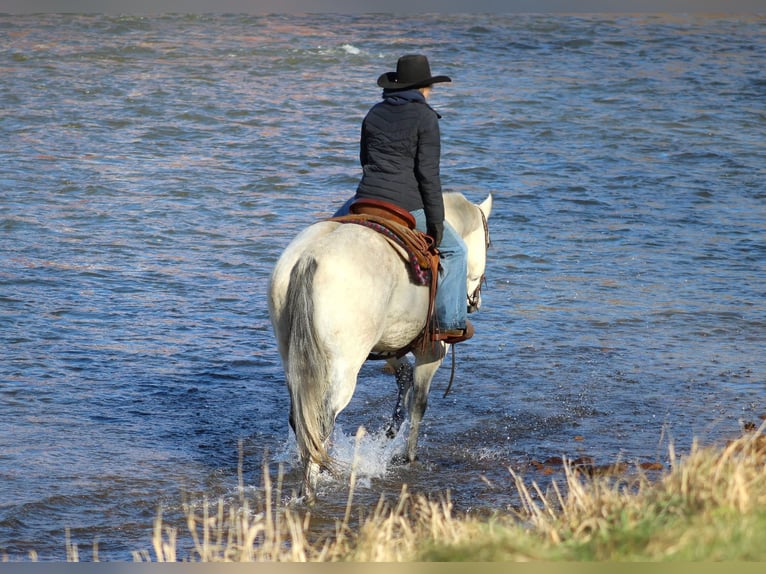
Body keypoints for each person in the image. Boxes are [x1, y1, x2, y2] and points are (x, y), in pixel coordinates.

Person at [335, 54, 473, 343]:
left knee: (333, 230)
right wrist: (435, 224)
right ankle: (449, 322)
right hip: (406, 203)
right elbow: (428, 177)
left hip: (365, 198)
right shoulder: (426, 118)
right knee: (457, 251)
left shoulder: (373, 113)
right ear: (424, 88)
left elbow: (365, 161)